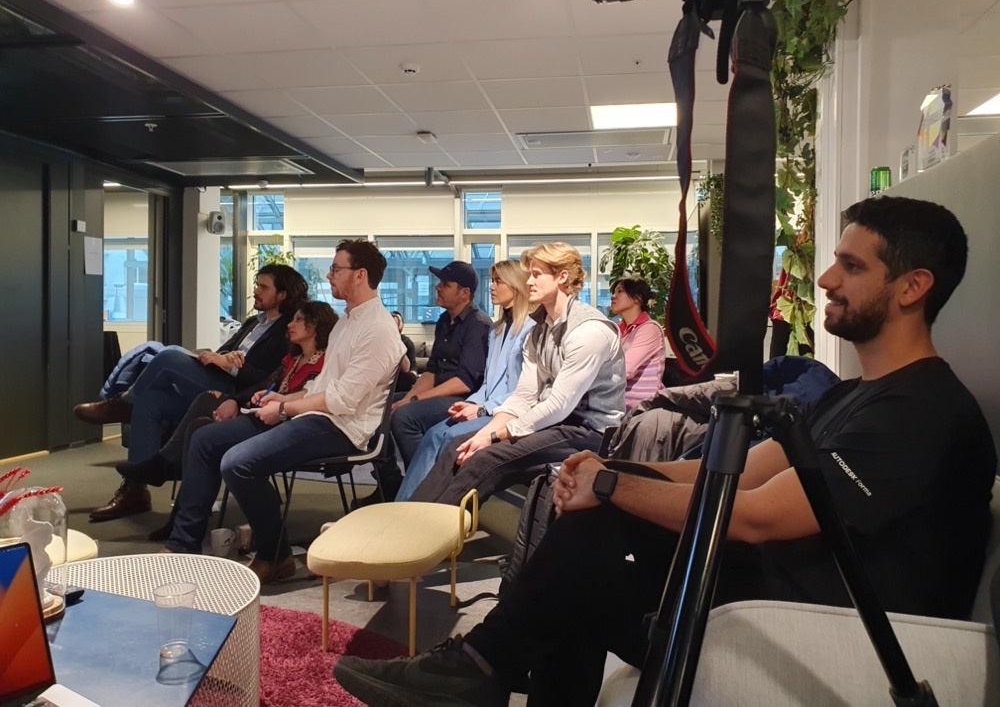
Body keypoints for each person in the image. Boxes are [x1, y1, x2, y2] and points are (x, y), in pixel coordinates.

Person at [335, 197, 997, 707]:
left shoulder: (923, 411)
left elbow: (758, 514)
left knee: (581, 564)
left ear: (912, 287)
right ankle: (481, 665)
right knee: (584, 545)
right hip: (775, 581)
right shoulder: (850, 395)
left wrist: (610, 485)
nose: (825, 278)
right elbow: (736, 471)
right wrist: (608, 471)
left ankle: (478, 666)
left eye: (852, 266)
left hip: (822, 621)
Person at [163, 240, 403, 584]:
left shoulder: (378, 330)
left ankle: (274, 555)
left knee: (237, 463)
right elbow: (321, 387)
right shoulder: (347, 322)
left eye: (336, 269)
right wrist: (282, 398)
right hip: (316, 414)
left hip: (343, 429)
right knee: (205, 439)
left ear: (360, 275)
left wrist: (285, 408)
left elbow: (342, 401)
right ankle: (183, 544)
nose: (329, 275)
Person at [85, 264, 309, 522]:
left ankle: (123, 404)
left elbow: (270, 380)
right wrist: (222, 357)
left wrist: (234, 367)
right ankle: (135, 491)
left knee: (169, 356)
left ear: (282, 294)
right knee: (150, 401)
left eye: (263, 287)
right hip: (215, 381)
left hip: (237, 394)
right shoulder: (252, 323)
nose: (256, 291)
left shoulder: (287, 331)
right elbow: (223, 351)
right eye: (257, 284)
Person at [408, 242, 625, 507]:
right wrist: (484, 433)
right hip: (556, 423)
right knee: (461, 445)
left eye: (536, 274)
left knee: (486, 458)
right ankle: (411, 516)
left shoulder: (588, 331)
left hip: (591, 431)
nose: (528, 281)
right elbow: (524, 395)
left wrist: (496, 435)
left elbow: (559, 405)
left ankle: (436, 528)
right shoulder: (539, 330)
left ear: (562, 277)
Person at [116, 301, 337, 542]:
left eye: (298, 320)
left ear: (315, 325)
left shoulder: (323, 363)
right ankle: (175, 504)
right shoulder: (292, 358)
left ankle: (167, 477)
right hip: (261, 411)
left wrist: (265, 399)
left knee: (201, 430)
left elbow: (307, 397)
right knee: (202, 409)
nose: (291, 324)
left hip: (285, 423)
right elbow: (265, 385)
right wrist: (236, 398)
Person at [397, 260, 536, 502]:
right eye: (492, 281)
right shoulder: (497, 330)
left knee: (449, 438)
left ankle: (421, 507)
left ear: (516, 286)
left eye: (498, 281)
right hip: (484, 405)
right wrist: (471, 404)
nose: (491, 286)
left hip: (507, 412)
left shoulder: (530, 330)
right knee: (433, 434)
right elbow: (487, 384)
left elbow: (522, 392)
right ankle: (405, 506)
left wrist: (481, 408)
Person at [360, 261, 492, 505]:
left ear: (464, 293)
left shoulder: (478, 325)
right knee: (377, 406)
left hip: (465, 399)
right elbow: (431, 371)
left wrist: (414, 400)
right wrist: (409, 397)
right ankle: (390, 482)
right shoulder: (444, 321)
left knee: (405, 417)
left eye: (446, 284)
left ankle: (425, 489)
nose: (437, 287)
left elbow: (464, 382)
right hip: (442, 392)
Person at [609, 278, 666, 409]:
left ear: (637, 298)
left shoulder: (650, 329)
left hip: (641, 407)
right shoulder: (616, 330)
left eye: (620, 291)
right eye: (614, 292)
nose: (613, 296)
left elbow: (625, 369)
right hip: (615, 404)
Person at [392, 310, 419, 393]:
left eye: (397, 323)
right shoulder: (383, 340)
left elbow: (411, 366)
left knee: (408, 378)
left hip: (402, 374)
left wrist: (413, 374)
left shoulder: (407, 342)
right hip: (389, 374)